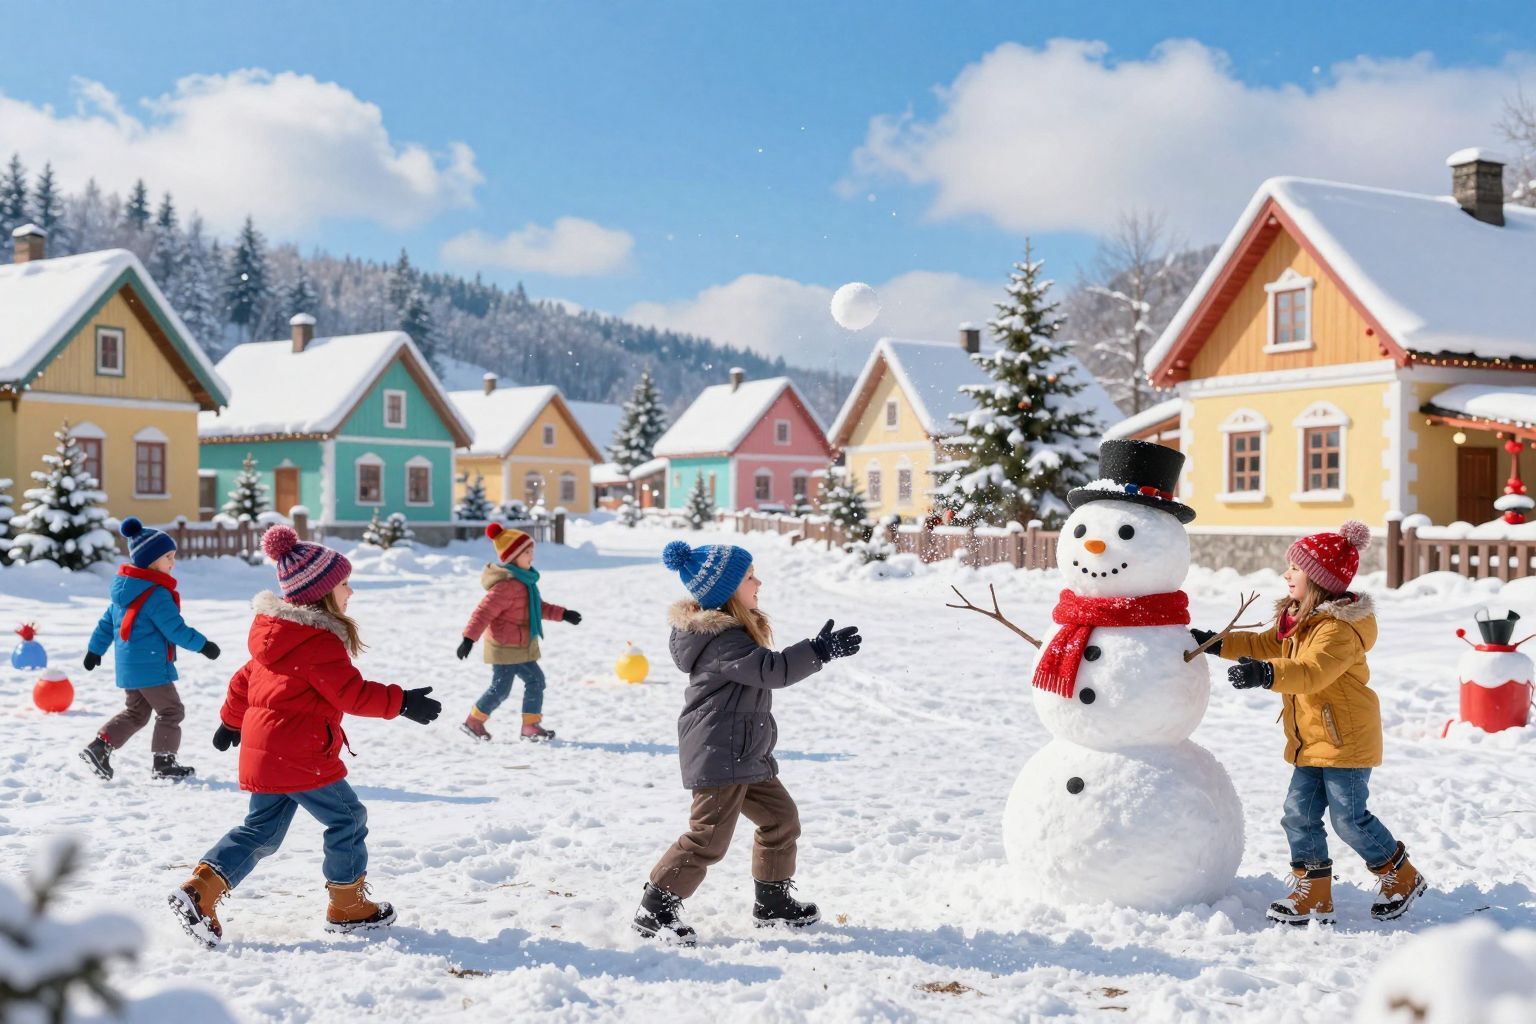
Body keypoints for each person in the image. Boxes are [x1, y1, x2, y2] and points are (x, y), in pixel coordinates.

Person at [167, 526, 441, 947]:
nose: (352, 592)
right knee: (347, 818)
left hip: (269, 753)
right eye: (345, 584)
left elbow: (244, 680)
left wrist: (232, 721)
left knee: (260, 831)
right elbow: (351, 694)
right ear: (322, 593)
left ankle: (199, 891)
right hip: (301, 754)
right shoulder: (317, 643)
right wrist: (402, 702)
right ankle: (347, 907)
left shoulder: (275, 635)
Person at [1194, 520, 1426, 924]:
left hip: (1345, 741)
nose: (1287, 574)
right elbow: (1265, 644)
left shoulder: (1339, 629)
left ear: (1319, 581)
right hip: (1311, 740)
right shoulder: (1298, 619)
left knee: (1349, 820)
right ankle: (1314, 892)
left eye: (1296, 568)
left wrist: (1265, 674)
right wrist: (1215, 642)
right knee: (1297, 813)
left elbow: (1311, 671)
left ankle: (1400, 874)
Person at [632, 540, 862, 945]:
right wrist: (820, 651)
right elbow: (773, 671)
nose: (759, 582)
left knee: (780, 819)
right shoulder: (722, 642)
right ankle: (656, 910)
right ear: (726, 590)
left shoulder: (733, 634)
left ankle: (772, 903)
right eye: (749, 576)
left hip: (743, 752)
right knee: (708, 837)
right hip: (720, 753)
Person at [79, 518, 219, 781]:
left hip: (129, 667)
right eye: (168, 556)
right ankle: (164, 763)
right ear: (152, 561)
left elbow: (106, 624)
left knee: (137, 714)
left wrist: (94, 650)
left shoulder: (125, 591)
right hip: (151, 666)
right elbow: (174, 628)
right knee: (171, 711)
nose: (172, 563)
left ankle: (99, 748)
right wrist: (204, 645)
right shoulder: (156, 594)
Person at [456, 523, 582, 742]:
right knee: (501, 689)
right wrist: (468, 639)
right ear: (513, 556)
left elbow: (538, 608)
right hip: (505, 647)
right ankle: (473, 722)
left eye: (532, 551)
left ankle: (530, 727)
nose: (532, 556)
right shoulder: (506, 586)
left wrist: (563, 614)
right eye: (527, 552)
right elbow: (483, 613)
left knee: (536, 681)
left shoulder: (526, 582)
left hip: (521, 646)